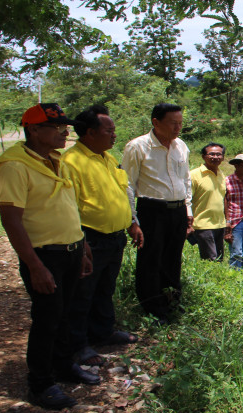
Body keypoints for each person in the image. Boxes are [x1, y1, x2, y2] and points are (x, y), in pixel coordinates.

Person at [0, 103, 100, 410]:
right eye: (58, 127)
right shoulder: (15, 167)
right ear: (35, 130)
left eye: (65, 126)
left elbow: (67, 207)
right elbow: (11, 221)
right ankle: (41, 383)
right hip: (45, 254)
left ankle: (63, 365)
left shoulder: (55, 160)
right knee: (47, 319)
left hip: (72, 248)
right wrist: (34, 266)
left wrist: (83, 245)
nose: (65, 132)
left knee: (65, 314)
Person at [61, 105, 141, 367]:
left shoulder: (107, 157)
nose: (114, 135)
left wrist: (133, 222)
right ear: (90, 132)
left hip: (115, 237)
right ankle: (78, 344)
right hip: (90, 239)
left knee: (105, 288)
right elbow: (68, 207)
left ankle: (103, 332)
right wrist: (80, 242)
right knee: (82, 293)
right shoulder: (71, 162)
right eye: (110, 130)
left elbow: (124, 193)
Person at [121, 103, 192, 324]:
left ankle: (172, 302)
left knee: (173, 259)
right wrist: (133, 219)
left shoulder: (181, 146)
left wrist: (188, 210)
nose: (178, 128)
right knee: (150, 260)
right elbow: (127, 184)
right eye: (173, 123)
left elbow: (186, 180)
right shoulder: (138, 147)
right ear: (156, 122)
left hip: (177, 210)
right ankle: (153, 309)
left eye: (180, 123)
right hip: (152, 211)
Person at [190, 143, 228, 261]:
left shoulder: (222, 175)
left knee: (219, 258)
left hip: (220, 224)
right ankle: (210, 279)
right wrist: (188, 224)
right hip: (202, 224)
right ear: (203, 156)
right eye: (211, 154)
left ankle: (216, 279)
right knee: (210, 259)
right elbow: (187, 200)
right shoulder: (194, 175)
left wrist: (227, 221)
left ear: (223, 157)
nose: (215, 157)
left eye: (218, 154)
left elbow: (224, 198)